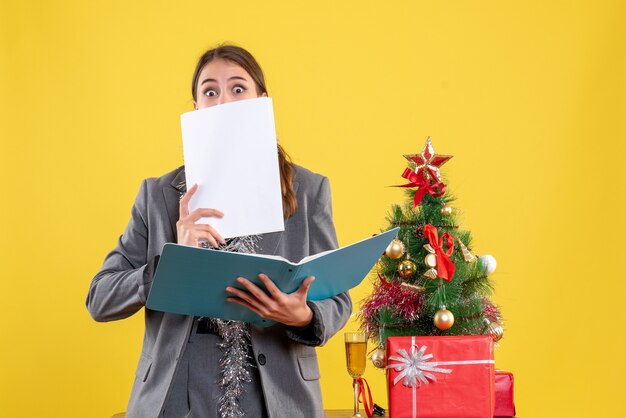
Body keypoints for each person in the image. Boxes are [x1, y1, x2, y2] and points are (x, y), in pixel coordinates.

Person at [86, 44, 351, 418]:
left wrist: (305, 316)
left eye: (238, 88)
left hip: (277, 395)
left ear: (262, 100)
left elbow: (337, 299)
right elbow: (100, 299)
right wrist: (170, 261)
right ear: (195, 108)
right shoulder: (157, 195)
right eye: (210, 91)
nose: (223, 100)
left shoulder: (308, 190)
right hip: (176, 393)